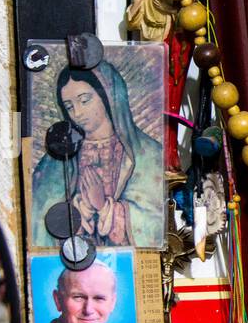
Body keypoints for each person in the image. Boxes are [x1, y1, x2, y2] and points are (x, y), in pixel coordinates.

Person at [30, 60, 164, 249]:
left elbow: (156, 223)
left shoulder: (149, 154)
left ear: (108, 96)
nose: (77, 113)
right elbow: (39, 220)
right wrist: (79, 211)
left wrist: (104, 207)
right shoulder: (55, 161)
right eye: (69, 106)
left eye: (85, 101)